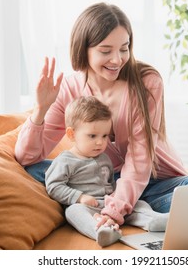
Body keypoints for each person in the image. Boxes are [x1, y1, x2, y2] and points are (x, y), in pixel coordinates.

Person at [15, 2, 188, 230]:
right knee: (34, 170)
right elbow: (26, 157)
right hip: (97, 180)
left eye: (124, 48)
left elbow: (139, 159)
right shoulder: (69, 88)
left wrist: (114, 210)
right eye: (105, 51)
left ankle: (116, 207)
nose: (117, 59)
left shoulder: (147, 83)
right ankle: (133, 210)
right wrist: (40, 109)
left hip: (152, 179)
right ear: (84, 49)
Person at [45, 96, 167, 247]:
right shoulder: (64, 161)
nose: (100, 142)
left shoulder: (104, 158)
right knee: (73, 212)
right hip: (87, 206)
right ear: (72, 134)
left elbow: (112, 185)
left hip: (111, 204)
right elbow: (53, 187)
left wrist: (116, 201)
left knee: (138, 203)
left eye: (105, 136)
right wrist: (79, 197)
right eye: (92, 136)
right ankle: (102, 231)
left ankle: (154, 220)